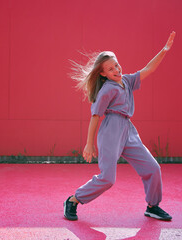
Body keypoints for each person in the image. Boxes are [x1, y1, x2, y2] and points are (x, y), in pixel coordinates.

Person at [64, 31, 176, 221]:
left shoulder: (127, 81)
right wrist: (89, 144)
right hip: (110, 132)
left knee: (153, 168)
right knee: (108, 179)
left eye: (116, 64)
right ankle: (74, 200)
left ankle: (153, 206)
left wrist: (164, 50)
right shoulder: (107, 90)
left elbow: (148, 69)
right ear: (103, 74)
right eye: (110, 68)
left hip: (128, 131)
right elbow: (95, 116)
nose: (116, 69)